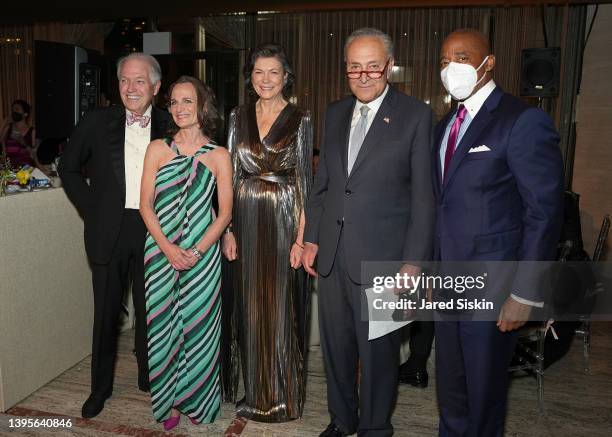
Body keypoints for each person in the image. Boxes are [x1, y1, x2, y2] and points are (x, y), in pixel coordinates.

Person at [302, 28, 435, 437]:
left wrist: (413, 264)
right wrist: (311, 237)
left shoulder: (416, 116)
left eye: (372, 67)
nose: (363, 76)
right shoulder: (336, 112)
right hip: (333, 258)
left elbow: (424, 199)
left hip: (386, 262)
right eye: (354, 68)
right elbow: (323, 183)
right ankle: (342, 421)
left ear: (389, 67)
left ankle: (377, 428)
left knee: (379, 356)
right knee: (337, 351)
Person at [433, 29, 564, 436]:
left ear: (488, 63)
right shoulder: (445, 125)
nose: (450, 67)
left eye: (461, 57)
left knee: (484, 397)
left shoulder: (522, 120)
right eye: (443, 61)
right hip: (447, 285)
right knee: (451, 391)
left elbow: (543, 213)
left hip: (493, 290)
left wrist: (524, 294)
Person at [59, 53, 171, 419]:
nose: (131, 88)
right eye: (125, 80)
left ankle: (149, 376)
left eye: (140, 81)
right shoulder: (96, 121)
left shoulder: (172, 125)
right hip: (109, 229)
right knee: (106, 314)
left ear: (155, 87)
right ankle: (99, 389)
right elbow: (69, 167)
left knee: (151, 310)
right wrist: (90, 208)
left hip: (155, 230)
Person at [222, 42, 313, 422]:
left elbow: (306, 178)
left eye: (273, 72)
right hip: (243, 217)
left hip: (284, 217)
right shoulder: (237, 116)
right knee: (249, 306)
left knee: (280, 307)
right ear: (250, 77)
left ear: (286, 76)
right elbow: (228, 175)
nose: (265, 79)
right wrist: (227, 229)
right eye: (258, 72)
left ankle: (283, 396)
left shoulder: (300, 117)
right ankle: (254, 391)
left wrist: (301, 237)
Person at [140, 75, 232, 430]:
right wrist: (168, 249)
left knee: (200, 329)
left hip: (202, 255)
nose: (179, 109)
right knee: (163, 327)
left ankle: (198, 401)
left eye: (187, 101)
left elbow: (224, 213)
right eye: (173, 103)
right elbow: (145, 205)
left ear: (202, 106)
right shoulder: (158, 149)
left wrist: (194, 250)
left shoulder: (219, 155)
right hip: (160, 251)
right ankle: (168, 404)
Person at [1, 99, 35, 168]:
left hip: (26, 169)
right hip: (10, 169)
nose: (14, 111)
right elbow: (2, 144)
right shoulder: (8, 128)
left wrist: (24, 143)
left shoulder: (32, 131)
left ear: (25, 114)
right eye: (13, 110)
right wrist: (4, 123)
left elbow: (34, 155)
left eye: (17, 109)